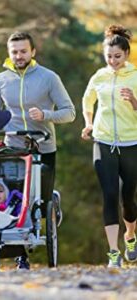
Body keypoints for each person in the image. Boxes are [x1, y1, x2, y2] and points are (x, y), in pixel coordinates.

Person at [0, 31, 76, 269]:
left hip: (43, 146)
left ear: (33, 52)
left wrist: (46, 115)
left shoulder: (49, 78)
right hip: (13, 148)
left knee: (41, 201)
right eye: (14, 52)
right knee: (14, 200)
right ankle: (21, 256)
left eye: (23, 51)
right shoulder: (1, 80)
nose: (19, 56)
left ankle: (52, 200)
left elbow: (69, 112)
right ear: (9, 53)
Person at [81, 24, 137, 268]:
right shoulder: (99, 76)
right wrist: (89, 123)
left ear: (126, 55)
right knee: (110, 194)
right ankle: (113, 252)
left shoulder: (135, 76)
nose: (113, 61)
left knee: (128, 197)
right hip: (103, 141)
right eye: (109, 57)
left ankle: (130, 236)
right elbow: (87, 100)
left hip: (131, 142)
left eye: (117, 56)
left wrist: (134, 101)